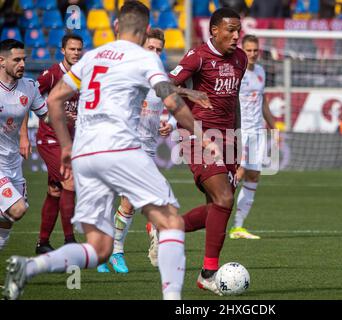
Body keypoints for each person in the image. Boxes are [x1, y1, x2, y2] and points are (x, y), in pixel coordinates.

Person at [2, 1, 212, 301]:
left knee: (98, 248)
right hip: (119, 147)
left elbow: (54, 100)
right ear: (143, 31)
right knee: (172, 222)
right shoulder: (144, 58)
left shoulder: (91, 58)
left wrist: (66, 146)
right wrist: (202, 135)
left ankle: (28, 267)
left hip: (85, 156)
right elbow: (171, 100)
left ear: (116, 26)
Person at [169, 7, 247, 295]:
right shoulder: (197, 56)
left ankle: (168, 227)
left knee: (218, 207)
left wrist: (237, 140)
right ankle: (208, 273)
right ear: (214, 30)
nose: (236, 36)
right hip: (198, 136)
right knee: (225, 198)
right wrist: (192, 94)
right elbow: (163, 85)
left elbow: (235, 99)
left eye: (239, 30)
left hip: (227, 139)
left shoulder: (241, 58)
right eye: (231, 30)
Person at [96, 28, 177, 273]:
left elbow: (175, 107)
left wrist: (169, 124)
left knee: (131, 203)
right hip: (123, 146)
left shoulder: (161, 79)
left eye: (158, 50)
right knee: (126, 200)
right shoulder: (125, 75)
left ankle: (111, 252)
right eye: (150, 48)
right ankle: (115, 251)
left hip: (149, 149)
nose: (154, 53)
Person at [32, 34, 83, 254]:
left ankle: (42, 242)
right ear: (62, 50)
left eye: (79, 49)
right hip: (50, 138)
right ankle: (70, 241)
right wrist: (24, 134)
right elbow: (29, 95)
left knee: (55, 190)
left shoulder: (83, 75)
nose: (76, 53)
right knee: (69, 183)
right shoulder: (52, 75)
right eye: (71, 49)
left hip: (69, 140)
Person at [0, 39, 48, 251]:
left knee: (10, 219)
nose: (22, 64)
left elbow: (46, 115)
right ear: (1, 61)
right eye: (16, 60)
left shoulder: (29, 87)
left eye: (24, 59)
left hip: (13, 162)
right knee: (17, 209)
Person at [229, 35, 277, 240]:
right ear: (242, 50)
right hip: (241, 130)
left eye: (255, 50)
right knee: (237, 173)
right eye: (248, 50)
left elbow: (263, 101)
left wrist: (274, 127)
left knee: (254, 176)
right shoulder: (236, 72)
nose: (252, 54)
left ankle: (238, 227)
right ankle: (216, 216)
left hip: (257, 131)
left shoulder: (260, 72)